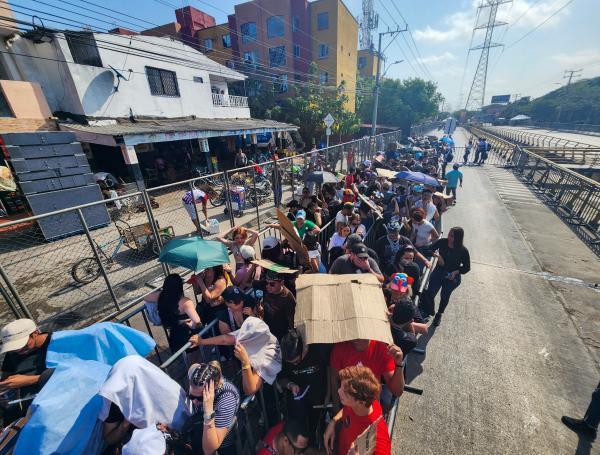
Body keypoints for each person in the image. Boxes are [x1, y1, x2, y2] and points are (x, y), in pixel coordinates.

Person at [324, 366, 391, 455]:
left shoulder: (376, 440)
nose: (338, 391)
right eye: (340, 386)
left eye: (345, 392)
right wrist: (334, 421)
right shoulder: (364, 402)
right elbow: (346, 409)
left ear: (360, 402)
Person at [279, 330, 330, 440]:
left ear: (304, 349)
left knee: (315, 427)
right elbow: (281, 378)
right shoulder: (285, 358)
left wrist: (328, 395)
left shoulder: (318, 351)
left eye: (297, 361)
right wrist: (290, 385)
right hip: (297, 403)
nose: (294, 364)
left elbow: (330, 370)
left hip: (318, 399)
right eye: (290, 363)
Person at [0, 319, 53, 420]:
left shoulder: (57, 343)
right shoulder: (13, 354)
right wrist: (4, 392)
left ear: (35, 333)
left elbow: (70, 373)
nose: (18, 350)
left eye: (22, 345)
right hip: (30, 410)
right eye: (13, 347)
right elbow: (6, 380)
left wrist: (30, 380)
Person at [329, 339, 404, 411]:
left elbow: (397, 391)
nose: (355, 339)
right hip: (346, 405)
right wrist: (336, 410)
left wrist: (398, 364)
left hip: (370, 407)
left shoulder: (382, 349)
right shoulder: (340, 347)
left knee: (386, 405)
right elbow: (334, 380)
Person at [182, 361, 240, 455]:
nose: (194, 402)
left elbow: (209, 450)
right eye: (191, 396)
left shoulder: (227, 398)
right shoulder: (196, 376)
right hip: (198, 431)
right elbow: (194, 366)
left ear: (214, 387)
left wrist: (208, 411)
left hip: (222, 446)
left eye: (200, 398)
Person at [424, 227, 471, 326]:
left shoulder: (463, 250)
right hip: (439, 271)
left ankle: (439, 314)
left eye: (452, 236)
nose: (449, 237)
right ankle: (428, 311)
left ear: (458, 238)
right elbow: (427, 250)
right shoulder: (442, 242)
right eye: (449, 235)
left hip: (452, 276)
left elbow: (467, 268)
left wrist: (456, 272)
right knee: (430, 292)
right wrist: (436, 255)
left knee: (445, 296)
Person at [150, 274, 201, 356]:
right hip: (188, 336)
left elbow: (146, 297)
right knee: (193, 359)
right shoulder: (185, 302)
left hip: (173, 335)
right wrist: (192, 325)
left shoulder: (162, 297)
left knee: (183, 358)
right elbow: (197, 320)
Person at [253, 271, 296, 340]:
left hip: (279, 334)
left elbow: (292, 322)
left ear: (281, 283)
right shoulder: (266, 285)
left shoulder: (288, 298)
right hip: (265, 327)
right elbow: (248, 283)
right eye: (267, 283)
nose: (268, 286)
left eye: (272, 284)